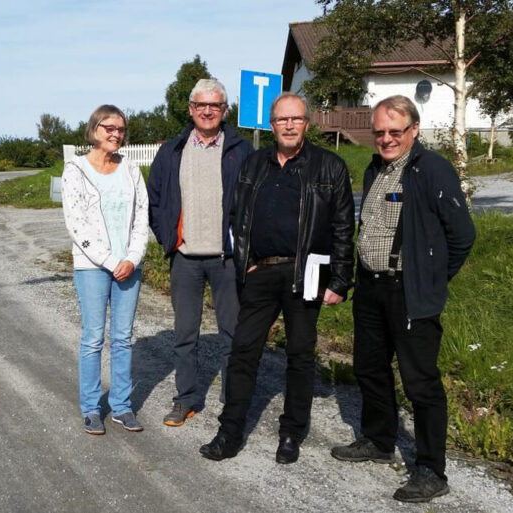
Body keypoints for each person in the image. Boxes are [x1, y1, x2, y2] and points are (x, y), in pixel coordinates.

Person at [330, 95, 475, 503]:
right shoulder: (376, 169)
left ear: (413, 130)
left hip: (411, 292)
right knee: (369, 368)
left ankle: (431, 469)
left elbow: (462, 236)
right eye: (380, 132)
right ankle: (378, 440)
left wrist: (430, 279)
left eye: (395, 131)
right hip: (372, 287)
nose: (387, 139)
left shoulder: (432, 170)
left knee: (420, 383)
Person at [200, 93, 355, 464]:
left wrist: (339, 281)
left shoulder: (329, 167)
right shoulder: (255, 165)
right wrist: (245, 261)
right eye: (282, 119)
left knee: (300, 356)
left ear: (306, 123)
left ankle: (291, 434)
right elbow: (236, 215)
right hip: (261, 271)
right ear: (272, 125)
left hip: (308, 271)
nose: (289, 125)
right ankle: (230, 431)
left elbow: (344, 227)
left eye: (296, 119)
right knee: (243, 351)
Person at [147, 79, 254, 426]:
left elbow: (255, 203)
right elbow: (156, 201)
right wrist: (169, 239)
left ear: (225, 111)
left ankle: (232, 401)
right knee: (185, 335)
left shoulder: (241, 150)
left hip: (227, 259)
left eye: (215, 106)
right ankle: (187, 399)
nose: (208, 111)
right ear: (191, 109)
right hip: (185, 258)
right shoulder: (172, 150)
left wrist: (246, 249)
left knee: (232, 334)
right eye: (201, 105)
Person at [62, 105, 149, 435]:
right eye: (109, 127)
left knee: (123, 338)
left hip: (130, 265)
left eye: (121, 129)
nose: (116, 134)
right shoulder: (76, 171)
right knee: (93, 339)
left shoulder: (131, 170)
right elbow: (76, 225)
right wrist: (113, 262)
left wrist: (133, 257)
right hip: (92, 268)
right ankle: (90, 407)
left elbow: (142, 217)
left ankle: (122, 407)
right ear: (94, 130)